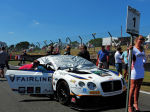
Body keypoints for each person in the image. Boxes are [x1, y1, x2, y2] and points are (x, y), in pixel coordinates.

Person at [128, 35, 146, 112]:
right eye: (140, 39)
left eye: (143, 39)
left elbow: (144, 59)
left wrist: (142, 62)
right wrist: (129, 51)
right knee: (132, 87)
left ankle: (136, 104)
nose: (142, 41)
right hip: (134, 70)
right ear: (136, 40)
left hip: (141, 70)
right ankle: (129, 105)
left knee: (138, 88)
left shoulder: (143, 49)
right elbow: (128, 60)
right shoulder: (133, 49)